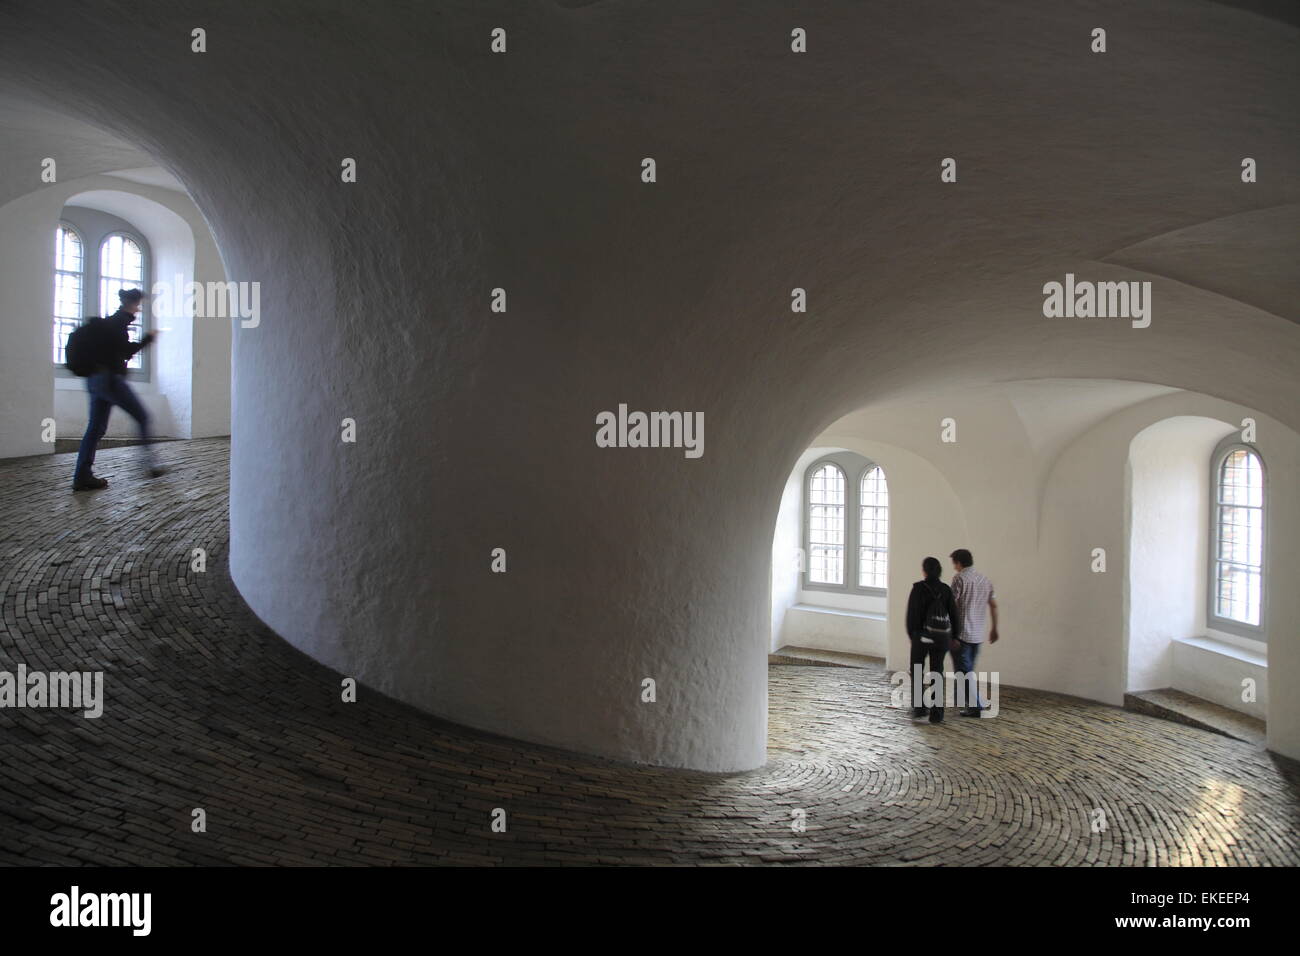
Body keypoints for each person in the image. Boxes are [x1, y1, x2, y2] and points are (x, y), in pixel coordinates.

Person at [71, 288, 165, 491]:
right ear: (131, 304)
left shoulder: (108, 323)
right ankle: (150, 465)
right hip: (109, 380)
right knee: (142, 417)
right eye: (137, 305)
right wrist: (148, 338)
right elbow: (126, 350)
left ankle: (82, 475)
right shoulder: (118, 323)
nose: (138, 310)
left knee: (95, 428)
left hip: (94, 380)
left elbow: (117, 350)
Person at [906, 556, 962, 723]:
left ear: (924, 571)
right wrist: (955, 636)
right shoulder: (945, 590)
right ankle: (937, 713)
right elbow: (954, 615)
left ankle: (919, 708)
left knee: (917, 670)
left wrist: (913, 636)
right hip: (941, 638)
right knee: (937, 672)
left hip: (921, 637)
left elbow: (911, 615)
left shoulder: (917, 589)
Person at [949, 548, 998, 717]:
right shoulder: (984, 579)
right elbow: (993, 605)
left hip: (962, 634)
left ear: (959, 563)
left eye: (954, 564)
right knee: (966, 670)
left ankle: (975, 706)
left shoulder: (959, 579)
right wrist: (994, 628)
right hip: (978, 634)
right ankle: (963, 699)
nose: (954, 567)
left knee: (964, 671)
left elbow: (952, 605)